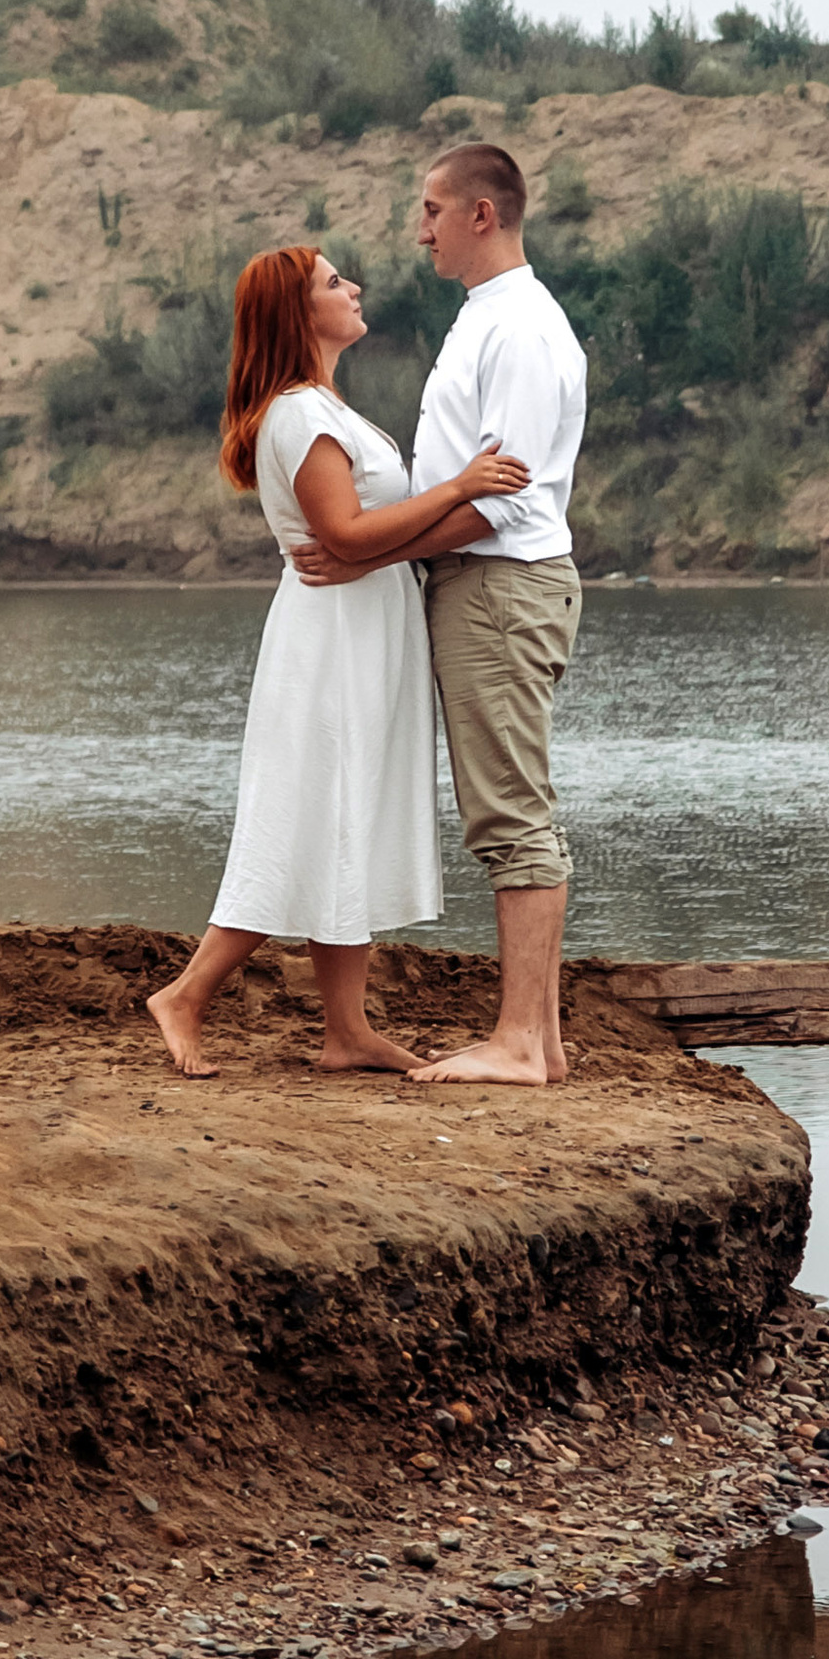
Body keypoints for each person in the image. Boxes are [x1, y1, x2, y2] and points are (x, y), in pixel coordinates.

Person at [146, 245, 528, 1080]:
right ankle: (184, 996)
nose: (353, 289)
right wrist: (461, 487)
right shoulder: (298, 414)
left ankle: (346, 1032)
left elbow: (362, 541)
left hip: (363, 630)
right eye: (332, 282)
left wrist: (437, 513)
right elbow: (346, 536)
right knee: (304, 818)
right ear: (296, 313)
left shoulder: (324, 406)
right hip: (329, 644)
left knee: (345, 819)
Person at [291, 146, 588, 1088]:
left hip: (501, 586)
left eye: (430, 211)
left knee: (510, 815)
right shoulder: (485, 320)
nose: (416, 229)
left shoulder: (526, 333)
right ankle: (539, 1040)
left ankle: (516, 1044)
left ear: (482, 216)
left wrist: (362, 551)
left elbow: (499, 500)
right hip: (477, 585)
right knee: (512, 809)